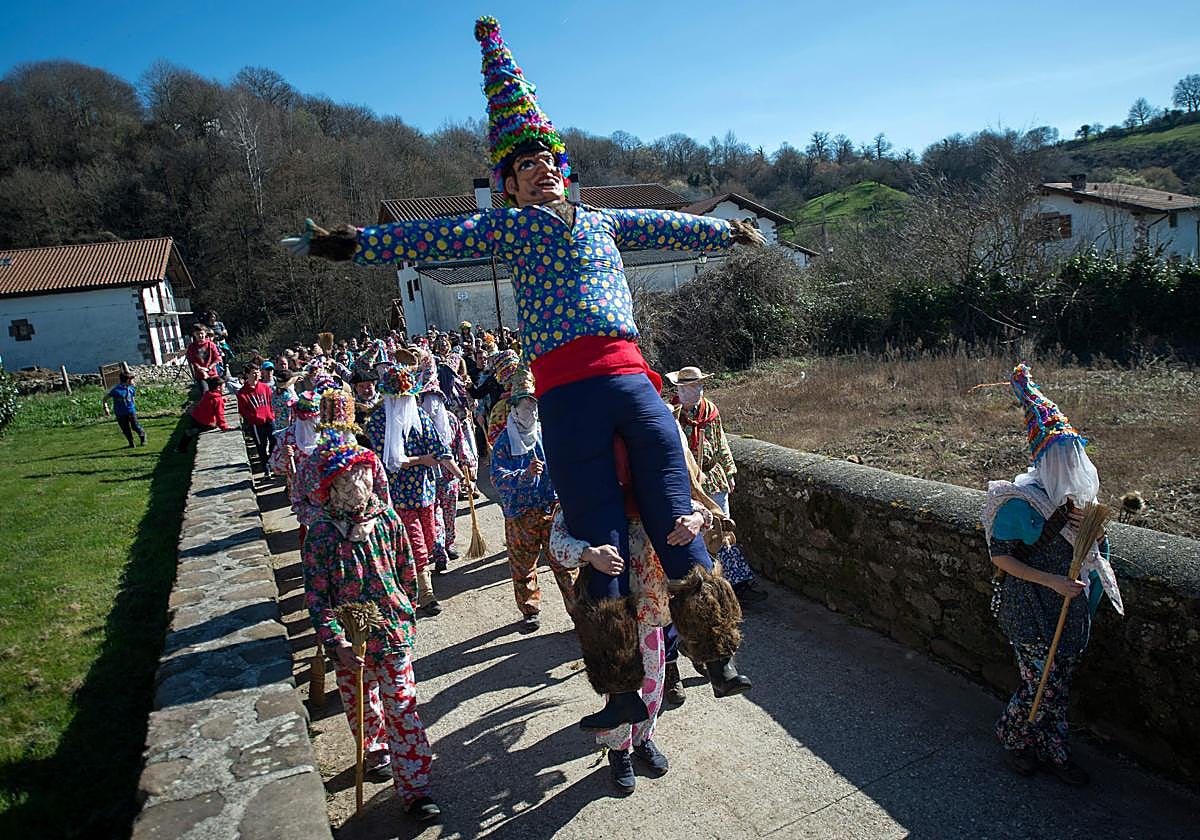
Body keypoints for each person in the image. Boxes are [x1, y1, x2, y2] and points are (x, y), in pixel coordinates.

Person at [282, 16, 761, 720]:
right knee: (600, 537)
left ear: (563, 168)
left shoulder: (604, 221)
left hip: (631, 381)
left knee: (672, 510)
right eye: (523, 166)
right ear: (508, 184)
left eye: (547, 161)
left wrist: (730, 231)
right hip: (567, 394)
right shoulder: (507, 226)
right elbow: (430, 235)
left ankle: (718, 654)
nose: (539, 171)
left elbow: (674, 223)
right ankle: (623, 694)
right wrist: (355, 243)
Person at [982, 363, 1123, 786]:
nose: (1071, 466)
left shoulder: (1082, 506)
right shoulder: (1019, 503)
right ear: (1043, 460)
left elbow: (1095, 553)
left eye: (1074, 458)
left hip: (1069, 609)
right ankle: (1014, 739)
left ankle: (1051, 747)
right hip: (1030, 610)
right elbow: (1001, 558)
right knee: (1039, 683)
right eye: (1061, 459)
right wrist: (1052, 581)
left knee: (1057, 683)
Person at [548, 431, 709, 791]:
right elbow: (557, 544)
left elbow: (698, 508)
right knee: (620, 685)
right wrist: (589, 554)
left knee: (653, 683)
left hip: (653, 610)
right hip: (612, 619)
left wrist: (697, 520)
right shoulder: (585, 493)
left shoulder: (652, 488)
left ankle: (643, 739)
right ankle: (619, 750)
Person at [300, 432, 439, 822]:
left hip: (392, 633)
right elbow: (316, 597)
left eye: (363, 475)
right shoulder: (323, 534)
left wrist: (405, 612)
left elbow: (407, 571)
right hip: (351, 643)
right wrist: (336, 641)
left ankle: (415, 788)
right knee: (363, 707)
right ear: (331, 487)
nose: (358, 485)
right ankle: (375, 750)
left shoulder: (387, 519)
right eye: (348, 479)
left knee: (403, 707)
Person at [365, 358, 459, 616]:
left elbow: (440, 449)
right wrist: (421, 460)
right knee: (415, 543)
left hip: (426, 492)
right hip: (398, 495)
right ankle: (425, 594)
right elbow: (389, 461)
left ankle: (412, 580)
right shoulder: (377, 423)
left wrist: (460, 474)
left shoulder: (420, 418)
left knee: (428, 541)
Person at [668, 366, 766, 605]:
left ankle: (738, 585)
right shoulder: (671, 414)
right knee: (697, 537)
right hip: (688, 483)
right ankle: (705, 589)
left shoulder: (710, 411)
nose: (695, 390)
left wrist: (730, 471)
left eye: (698, 385)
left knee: (722, 533)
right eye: (690, 386)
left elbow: (720, 440)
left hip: (713, 478)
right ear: (679, 388)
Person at [489, 381, 576, 631]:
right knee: (523, 564)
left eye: (533, 407)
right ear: (514, 410)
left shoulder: (545, 434)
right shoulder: (504, 442)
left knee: (564, 562)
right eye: (525, 407)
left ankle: (578, 612)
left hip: (550, 509)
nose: (530, 413)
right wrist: (524, 475)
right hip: (520, 513)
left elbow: (563, 464)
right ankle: (530, 610)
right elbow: (497, 477)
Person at [420, 379, 477, 573]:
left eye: (435, 399)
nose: (432, 404)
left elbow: (460, 442)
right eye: (428, 399)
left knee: (449, 513)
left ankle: (448, 543)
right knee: (435, 516)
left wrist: (466, 463)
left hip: (449, 478)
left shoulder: (451, 420)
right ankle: (438, 550)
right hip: (427, 479)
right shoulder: (419, 423)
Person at [237, 363, 277, 477]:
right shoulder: (243, 393)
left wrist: (271, 414)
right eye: (253, 373)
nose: (256, 375)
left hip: (269, 420)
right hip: (256, 424)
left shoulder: (265, 387)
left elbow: (271, 402)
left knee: (274, 441)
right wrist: (254, 418)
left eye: (258, 372)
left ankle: (272, 462)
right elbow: (243, 410)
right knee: (261, 446)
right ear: (247, 374)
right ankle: (266, 469)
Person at [176, 376, 229, 451]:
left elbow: (210, 404)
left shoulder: (208, 394)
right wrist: (224, 427)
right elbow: (219, 415)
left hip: (196, 416)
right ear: (218, 388)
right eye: (224, 386)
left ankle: (180, 448)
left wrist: (223, 400)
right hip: (204, 421)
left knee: (189, 433)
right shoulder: (217, 399)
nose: (225, 388)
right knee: (211, 427)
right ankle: (195, 430)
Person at [102, 370, 146, 448]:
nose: (133, 381)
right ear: (127, 380)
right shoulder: (116, 390)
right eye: (132, 379)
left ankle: (143, 437)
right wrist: (106, 408)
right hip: (120, 413)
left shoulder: (131, 388)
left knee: (135, 426)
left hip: (131, 411)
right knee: (125, 429)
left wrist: (133, 408)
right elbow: (105, 399)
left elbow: (132, 398)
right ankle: (131, 443)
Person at [186, 325, 222, 393]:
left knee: (216, 393)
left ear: (205, 333)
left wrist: (209, 368)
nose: (200, 336)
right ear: (194, 334)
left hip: (212, 374)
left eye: (202, 333)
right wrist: (202, 370)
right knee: (205, 394)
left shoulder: (211, 345)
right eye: (198, 334)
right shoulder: (192, 347)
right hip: (200, 375)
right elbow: (193, 361)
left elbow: (217, 358)